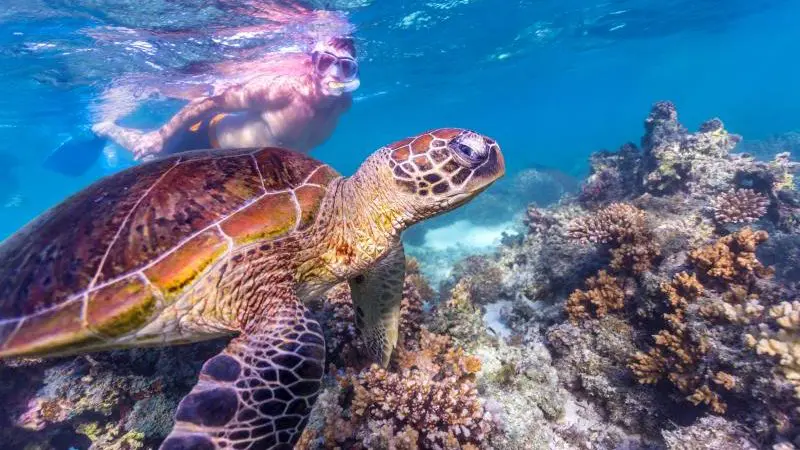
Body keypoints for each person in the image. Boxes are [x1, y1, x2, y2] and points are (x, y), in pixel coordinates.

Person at [92, 36, 360, 160]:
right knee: (152, 153)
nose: (334, 73)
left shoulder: (343, 104)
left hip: (244, 168)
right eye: (325, 62)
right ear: (310, 64)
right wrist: (161, 135)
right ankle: (107, 129)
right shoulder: (281, 91)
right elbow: (210, 101)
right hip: (206, 141)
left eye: (345, 66)